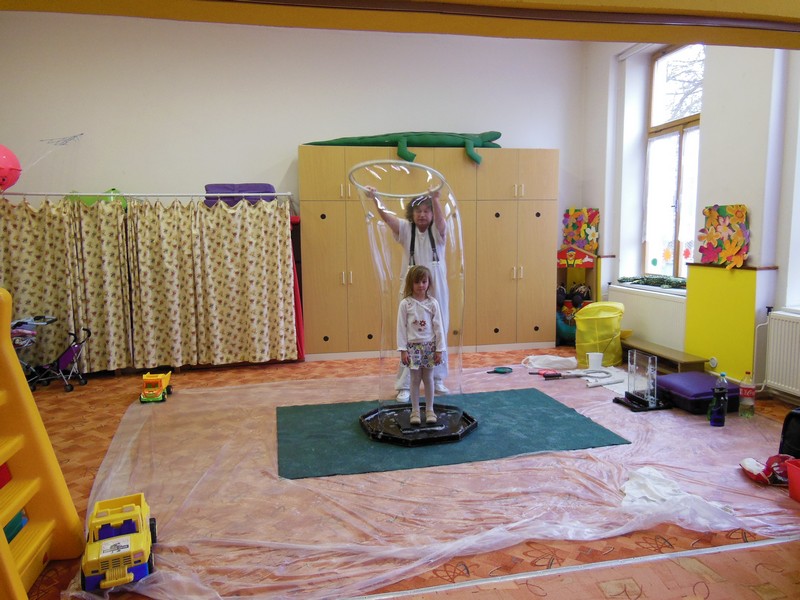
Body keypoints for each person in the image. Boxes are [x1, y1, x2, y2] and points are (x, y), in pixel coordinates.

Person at [367, 186, 450, 401]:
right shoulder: (406, 229)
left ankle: (437, 378)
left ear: (432, 213)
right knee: (408, 331)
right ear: (411, 214)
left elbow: (441, 223)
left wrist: (435, 199)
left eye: (426, 210)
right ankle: (404, 385)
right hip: (410, 288)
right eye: (418, 211)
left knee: (439, 329)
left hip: (437, 288)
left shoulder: (438, 229)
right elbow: (387, 219)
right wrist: (375, 198)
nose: (422, 214)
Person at [397, 265, 445, 425]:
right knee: (415, 379)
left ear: (428, 282)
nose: (421, 285)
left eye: (424, 281)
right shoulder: (406, 304)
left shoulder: (432, 303)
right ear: (410, 283)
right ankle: (415, 411)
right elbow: (401, 328)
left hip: (429, 346)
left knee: (429, 378)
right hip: (413, 348)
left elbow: (439, 327)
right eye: (417, 282)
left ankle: (430, 409)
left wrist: (440, 349)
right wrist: (403, 350)